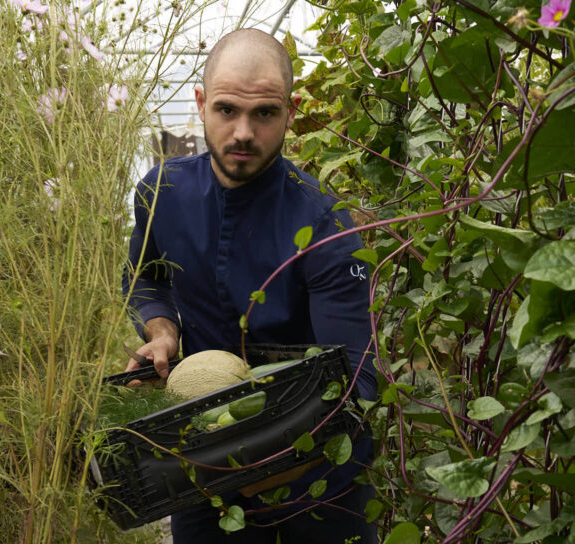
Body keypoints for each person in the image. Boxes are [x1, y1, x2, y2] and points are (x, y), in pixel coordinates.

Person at [121, 28, 378, 543]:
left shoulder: (326, 225)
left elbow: (356, 384)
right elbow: (144, 276)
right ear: (200, 103)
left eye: (264, 113)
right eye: (226, 110)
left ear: (290, 111)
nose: (243, 132)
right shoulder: (161, 193)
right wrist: (162, 331)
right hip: (203, 470)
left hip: (313, 479)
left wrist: (269, 461)